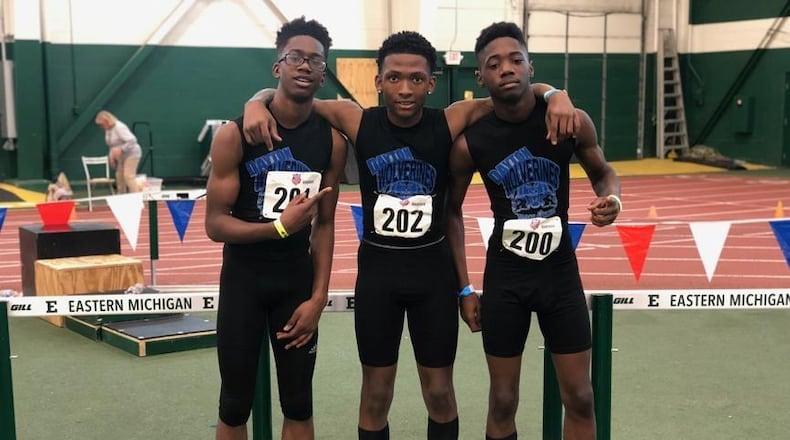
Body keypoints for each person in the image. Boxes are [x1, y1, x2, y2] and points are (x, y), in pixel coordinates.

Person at [242, 31, 579, 440]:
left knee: (439, 394)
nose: (405, 89)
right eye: (395, 78)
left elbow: (513, 91)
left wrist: (555, 93)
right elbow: (292, 96)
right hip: (378, 279)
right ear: (378, 81)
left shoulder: (450, 119)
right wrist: (255, 101)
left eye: (417, 79)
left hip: (433, 279)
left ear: (431, 83)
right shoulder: (357, 119)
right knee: (376, 395)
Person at [445, 22, 621, 440]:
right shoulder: (472, 141)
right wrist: (464, 288)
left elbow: (603, 172)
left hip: (560, 276)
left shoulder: (569, 120)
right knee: (503, 399)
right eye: (494, 63)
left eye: (516, 59)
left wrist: (612, 200)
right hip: (505, 279)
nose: (506, 68)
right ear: (481, 77)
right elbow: (450, 212)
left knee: (579, 396)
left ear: (530, 66)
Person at [204, 16, 347, 440]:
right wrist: (279, 229)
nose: (305, 66)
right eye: (295, 57)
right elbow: (215, 225)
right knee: (234, 404)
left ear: (324, 73)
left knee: (299, 402)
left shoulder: (332, 142)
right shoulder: (235, 135)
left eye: (315, 61)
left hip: (296, 285)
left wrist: (319, 296)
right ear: (277, 67)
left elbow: (324, 226)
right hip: (243, 281)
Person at [94, 110, 142, 193]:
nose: (101, 126)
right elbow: (112, 145)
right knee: (119, 177)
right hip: (121, 157)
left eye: (102, 124)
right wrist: (111, 157)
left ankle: (137, 197)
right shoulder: (108, 129)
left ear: (107, 120)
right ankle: (121, 198)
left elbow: (132, 140)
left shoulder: (119, 127)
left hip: (132, 153)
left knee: (128, 176)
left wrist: (122, 149)